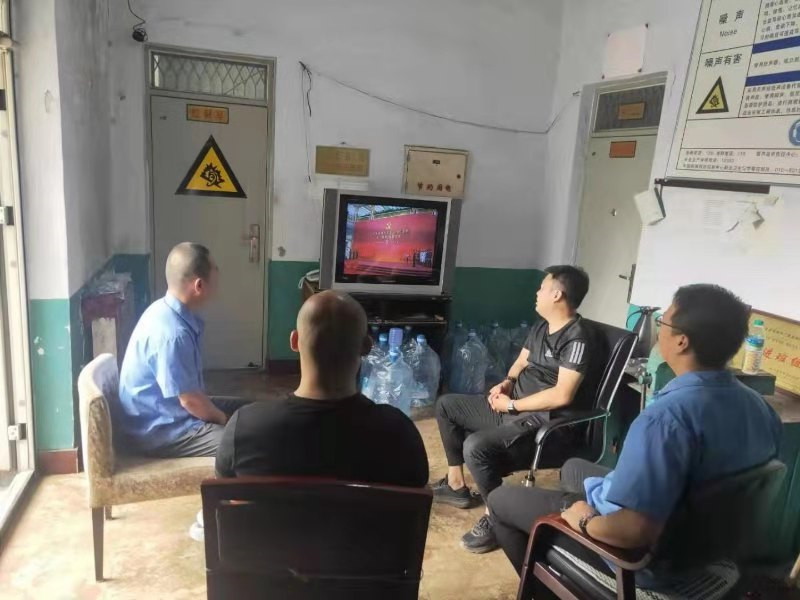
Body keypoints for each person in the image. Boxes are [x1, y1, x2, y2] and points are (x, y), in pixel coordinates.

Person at [489, 284, 782, 587]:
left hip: (643, 563)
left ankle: (547, 590)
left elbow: (633, 532)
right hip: (707, 547)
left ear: (681, 341)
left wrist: (584, 520)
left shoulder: (664, 419)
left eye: (663, 322)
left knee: (500, 500)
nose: (659, 330)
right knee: (573, 468)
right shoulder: (760, 408)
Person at [433, 265, 598, 554]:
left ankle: (497, 516)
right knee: (447, 405)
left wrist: (512, 405)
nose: (537, 292)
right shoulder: (542, 326)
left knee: (476, 447)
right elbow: (521, 362)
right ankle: (456, 484)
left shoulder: (577, 337)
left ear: (557, 295)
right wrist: (507, 384)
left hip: (542, 421)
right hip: (514, 406)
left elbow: (562, 395)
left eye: (542, 288)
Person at [215, 290, 429, 488]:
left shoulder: (245, 428)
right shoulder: (400, 434)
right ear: (366, 346)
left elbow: (227, 498)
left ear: (294, 341)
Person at [117, 242, 249, 457]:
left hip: (169, 410)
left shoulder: (162, 309)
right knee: (248, 443)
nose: (218, 274)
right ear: (199, 285)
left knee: (249, 409)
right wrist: (225, 421)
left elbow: (190, 396)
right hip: (161, 432)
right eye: (215, 269)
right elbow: (190, 401)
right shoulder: (173, 335)